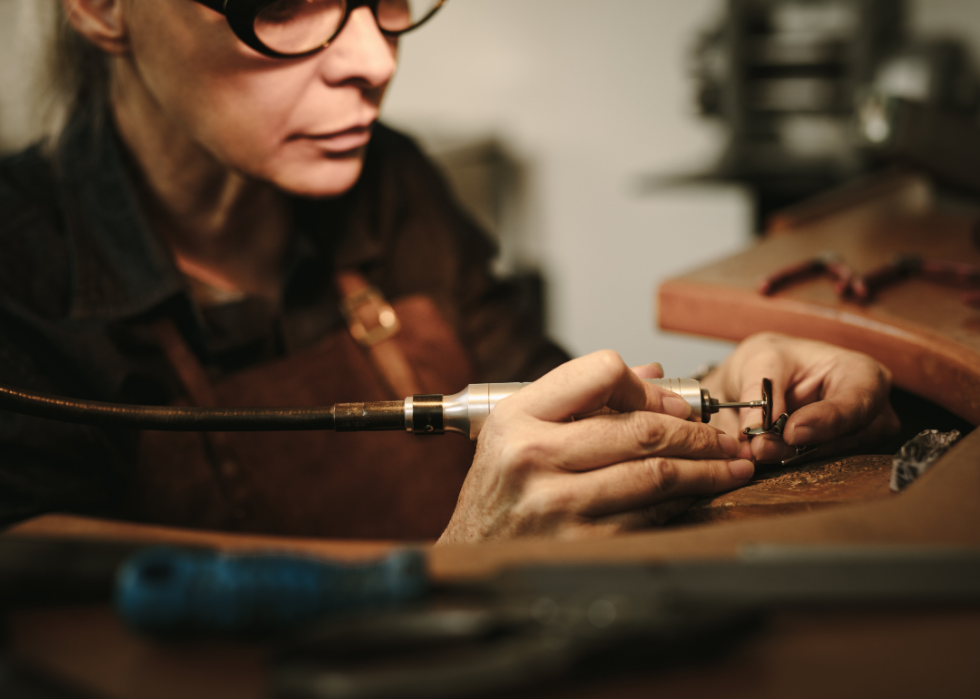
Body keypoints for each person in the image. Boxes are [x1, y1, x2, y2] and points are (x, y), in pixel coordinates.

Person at [0, 0, 899, 543]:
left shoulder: (390, 184)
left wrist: (714, 398)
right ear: (100, 9)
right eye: (281, 3)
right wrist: (465, 562)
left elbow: (556, 409)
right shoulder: (19, 271)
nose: (375, 60)